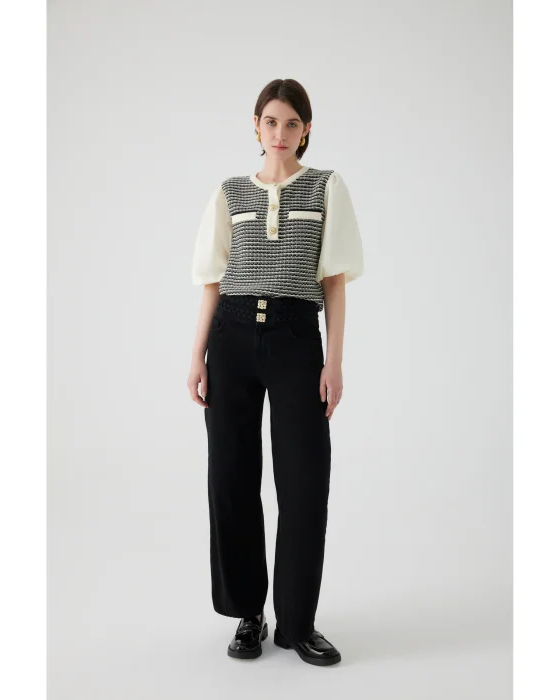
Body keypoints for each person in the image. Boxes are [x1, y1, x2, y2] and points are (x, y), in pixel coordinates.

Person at [187, 78, 364, 667]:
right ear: (256, 126)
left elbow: (333, 281)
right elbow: (213, 279)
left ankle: (298, 622)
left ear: (306, 129)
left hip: (295, 338)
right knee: (231, 477)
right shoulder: (231, 192)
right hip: (231, 337)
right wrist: (196, 355)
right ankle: (249, 612)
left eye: (292, 123)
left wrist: (334, 361)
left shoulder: (325, 187)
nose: (280, 133)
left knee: (304, 481)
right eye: (271, 122)